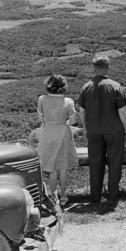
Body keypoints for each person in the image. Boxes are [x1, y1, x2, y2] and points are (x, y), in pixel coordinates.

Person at [78, 55, 126, 208]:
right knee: (114, 163)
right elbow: (123, 112)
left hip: (93, 131)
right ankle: (112, 196)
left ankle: (95, 197)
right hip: (114, 130)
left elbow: (81, 112)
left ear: (94, 68)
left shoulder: (86, 87)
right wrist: (125, 129)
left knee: (95, 163)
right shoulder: (115, 86)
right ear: (108, 68)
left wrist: (86, 129)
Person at [37, 74, 78, 205]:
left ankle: (53, 196)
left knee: (51, 166)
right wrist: (64, 122)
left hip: (48, 131)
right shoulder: (68, 101)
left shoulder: (42, 99)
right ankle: (64, 196)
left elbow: (40, 119)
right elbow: (73, 119)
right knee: (63, 166)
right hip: (63, 131)